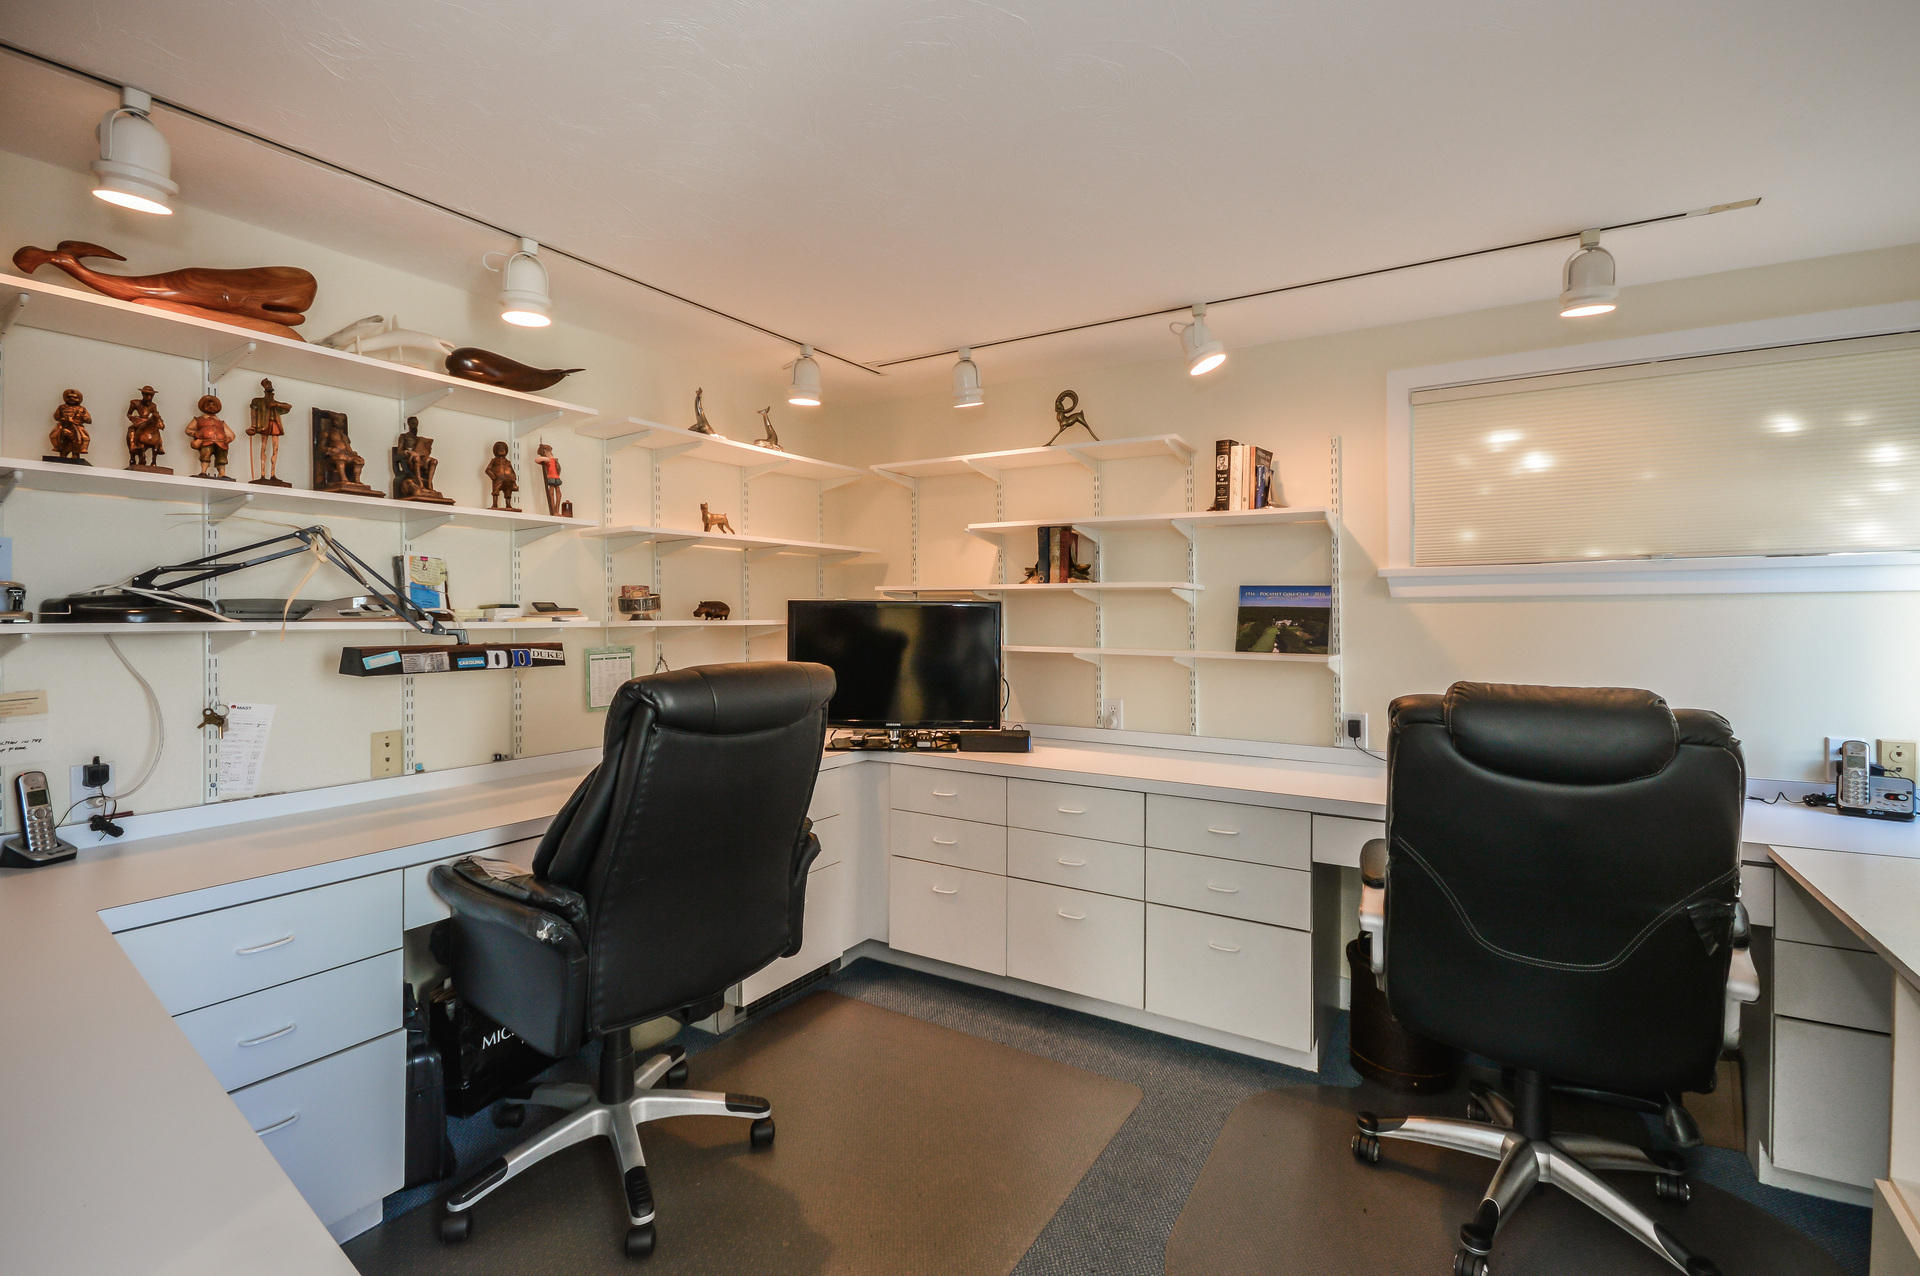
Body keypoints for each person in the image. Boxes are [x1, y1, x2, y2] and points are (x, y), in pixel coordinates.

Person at [184, 395, 236, 479]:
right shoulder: (198, 420)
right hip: (206, 441)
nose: (211, 407)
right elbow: (188, 430)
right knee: (205, 455)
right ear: (203, 407)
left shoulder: (220, 422)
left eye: (213, 405)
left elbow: (231, 434)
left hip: (221, 443)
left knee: (222, 458)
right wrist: (196, 434)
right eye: (208, 405)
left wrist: (228, 439)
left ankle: (222, 473)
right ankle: (203, 471)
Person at [485, 440, 520, 511]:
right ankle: (495, 504)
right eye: (499, 449)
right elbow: (488, 470)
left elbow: (512, 470)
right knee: (495, 492)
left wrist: (514, 478)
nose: (501, 450)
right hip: (498, 479)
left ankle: (508, 505)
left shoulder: (508, 462)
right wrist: (493, 477)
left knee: (508, 492)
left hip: (508, 480)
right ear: (495, 450)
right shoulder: (494, 461)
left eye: (503, 448)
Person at [534, 442, 564, 515]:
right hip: (551, 477)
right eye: (548, 451)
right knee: (551, 493)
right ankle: (554, 511)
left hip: (556, 477)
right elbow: (537, 460)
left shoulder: (553, 460)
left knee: (559, 494)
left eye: (550, 451)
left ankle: (556, 510)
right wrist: (545, 457)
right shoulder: (548, 460)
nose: (550, 453)